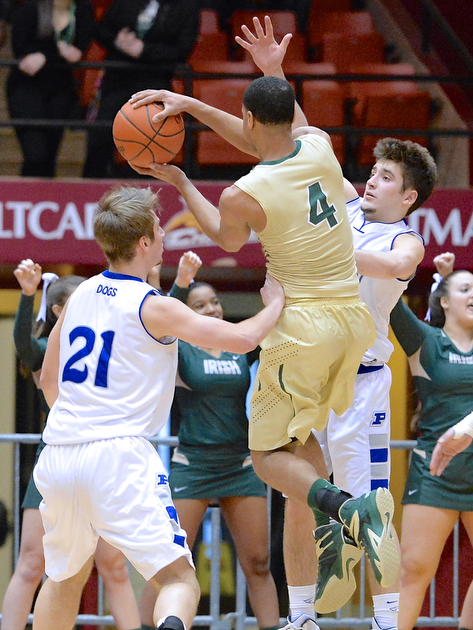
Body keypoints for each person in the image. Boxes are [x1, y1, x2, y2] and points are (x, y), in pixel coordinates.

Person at [130, 16, 401, 630]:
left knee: (263, 458)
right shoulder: (321, 145)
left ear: (249, 122)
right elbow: (275, 128)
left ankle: (350, 513)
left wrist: (177, 179)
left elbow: (225, 239)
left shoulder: (244, 193)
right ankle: (312, 586)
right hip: (351, 323)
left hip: (300, 325)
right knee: (303, 454)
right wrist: (211, 96)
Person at [231, 19, 437, 630]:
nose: (372, 181)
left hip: (363, 383)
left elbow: (396, 265)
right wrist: (272, 71)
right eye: (372, 173)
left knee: (374, 511)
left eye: (387, 179)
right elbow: (294, 133)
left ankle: (386, 620)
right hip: (307, 368)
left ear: (409, 198)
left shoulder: (407, 239)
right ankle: (301, 618)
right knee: (301, 501)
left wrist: (326, 249)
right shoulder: (342, 204)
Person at [33, 185, 285, 630]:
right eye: (158, 230)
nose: (166, 237)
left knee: (63, 578)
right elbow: (244, 339)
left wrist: (82, 419)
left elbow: (50, 384)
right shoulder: (154, 306)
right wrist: (278, 303)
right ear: (144, 242)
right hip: (117, 455)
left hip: (60, 453)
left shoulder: (80, 297)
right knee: (180, 581)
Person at [139, 251, 280, 630]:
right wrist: (180, 280)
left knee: (259, 563)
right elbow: (159, 319)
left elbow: (267, 332)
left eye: (215, 302)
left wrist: (278, 298)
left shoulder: (238, 346)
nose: (212, 309)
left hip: (240, 464)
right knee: (169, 564)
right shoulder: (179, 349)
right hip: (194, 465)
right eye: (199, 305)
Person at [2, 259, 144, 630]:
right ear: (59, 310)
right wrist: (27, 295)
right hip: (59, 459)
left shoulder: (111, 340)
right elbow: (24, 346)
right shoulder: (52, 347)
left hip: (104, 457)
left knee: (113, 565)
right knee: (33, 562)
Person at [389, 253, 473, 630]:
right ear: (443, 300)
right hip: (435, 474)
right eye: (465, 288)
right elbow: (386, 299)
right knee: (413, 570)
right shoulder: (426, 340)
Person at [81, 0, 199, 178]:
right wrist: (118, 41)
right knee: (100, 136)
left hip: (155, 84)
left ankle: (142, 197)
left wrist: (144, 50)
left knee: (148, 146)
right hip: (117, 79)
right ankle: (89, 192)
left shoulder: (186, 7)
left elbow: (182, 50)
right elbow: (101, 31)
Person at [6, 0, 95, 177]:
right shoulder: (32, 8)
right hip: (27, 88)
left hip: (61, 88)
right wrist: (57, 52)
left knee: (49, 156)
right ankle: (28, 198)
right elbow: (21, 50)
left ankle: (40, 197)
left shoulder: (83, 9)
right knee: (35, 154)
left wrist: (45, 55)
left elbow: (78, 50)